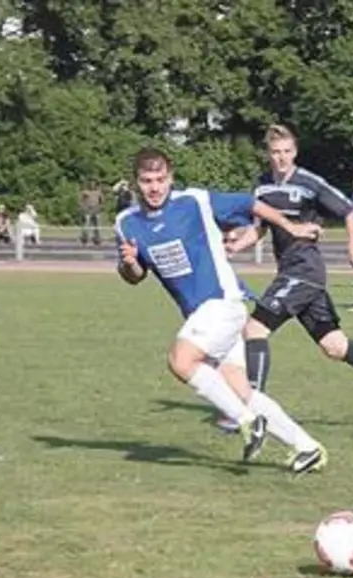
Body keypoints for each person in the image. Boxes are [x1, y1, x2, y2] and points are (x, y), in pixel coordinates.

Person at [114, 146, 327, 474]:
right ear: (136, 183)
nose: (154, 187)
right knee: (240, 389)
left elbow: (250, 203)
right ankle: (308, 447)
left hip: (223, 302)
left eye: (160, 179)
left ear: (171, 178)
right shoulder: (127, 223)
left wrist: (293, 228)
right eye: (146, 181)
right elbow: (135, 276)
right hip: (202, 315)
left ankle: (246, 422)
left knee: (180, 360)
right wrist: (128, 264)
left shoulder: (194, 202)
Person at [225, 125, 353, 456]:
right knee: (335, 346)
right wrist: (235, 246)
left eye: (287, 151)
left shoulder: (309, 182)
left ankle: (253, 410)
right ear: (269, 153)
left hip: (305, 271)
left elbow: (348, 212)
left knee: (254, 329)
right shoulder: (261, 186)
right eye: (276, 152)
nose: (282, 158)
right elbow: (259, 229)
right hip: (293, 273)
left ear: (295, 152)